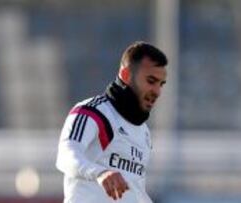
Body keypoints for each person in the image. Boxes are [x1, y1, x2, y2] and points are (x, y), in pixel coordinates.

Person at [56, 41, 168, 203]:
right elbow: (65, 156)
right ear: (126, 75)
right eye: (151, 81)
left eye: (161, 84)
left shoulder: (143, 132)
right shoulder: (93, 112)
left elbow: (135, 191)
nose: (157, 91)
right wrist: (100, 173)